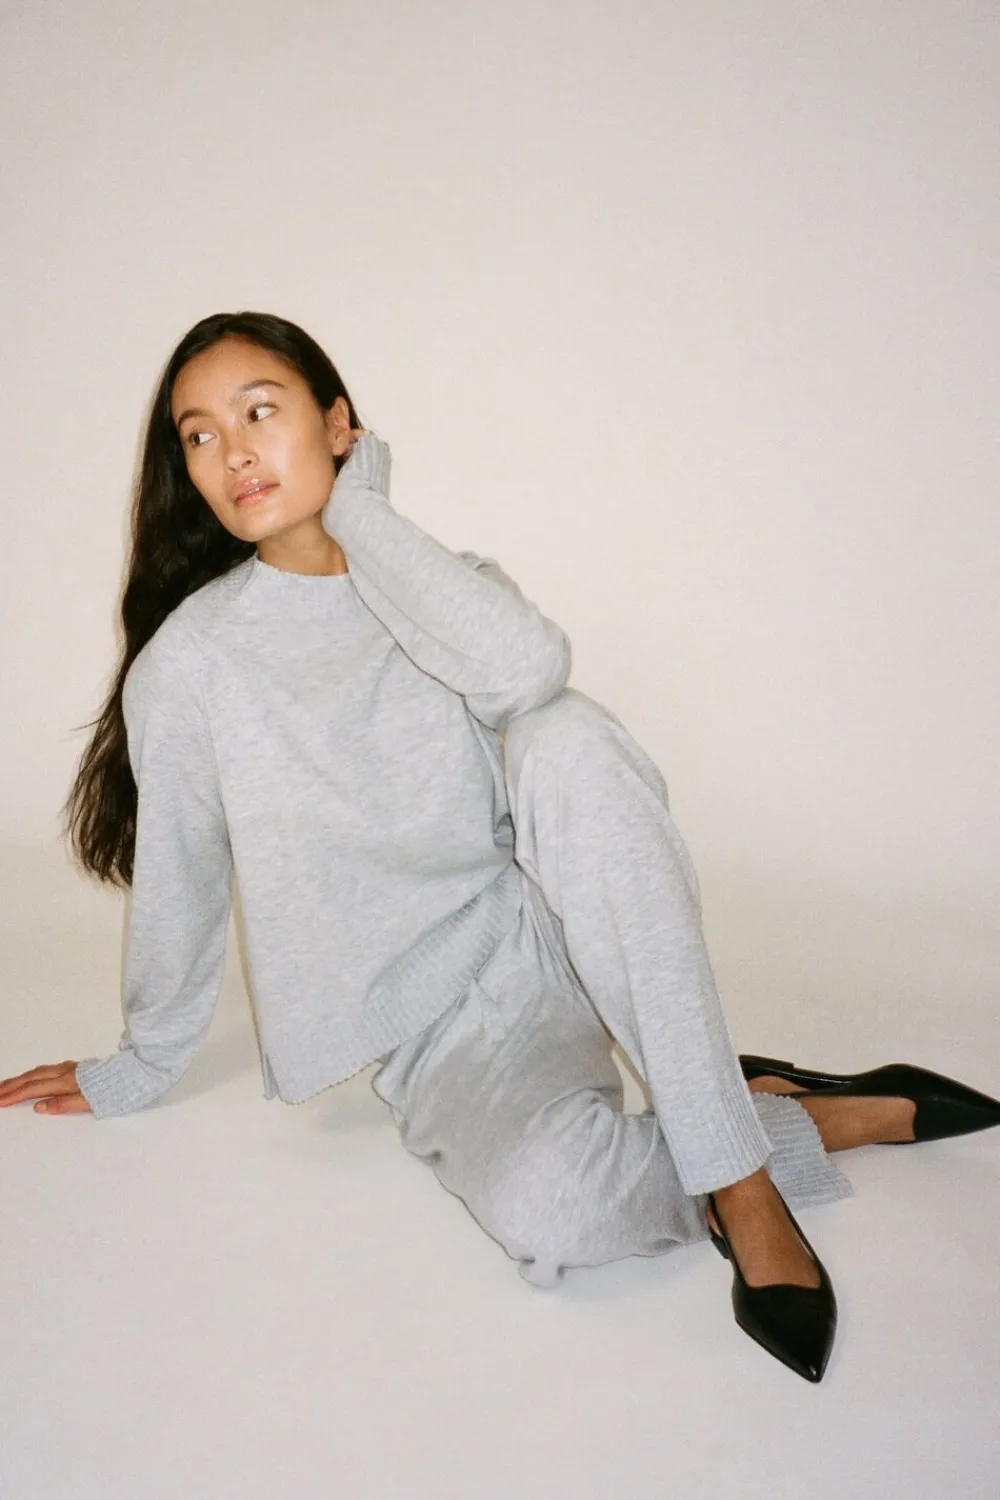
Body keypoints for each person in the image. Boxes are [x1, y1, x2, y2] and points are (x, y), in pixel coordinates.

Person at [2, 311, 998, 1385]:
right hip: (443, 1027)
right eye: (199, 436)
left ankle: (738, 1179)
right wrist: (143, 1061)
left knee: (566, 736)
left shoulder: (441, 585)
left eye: (260, 412)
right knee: (557, 1215)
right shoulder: (193, 666)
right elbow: (184, 872)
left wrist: (365, 517)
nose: (233, 453)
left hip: (563, 927)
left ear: (338, 426)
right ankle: (782, 1110)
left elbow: (530, 674)